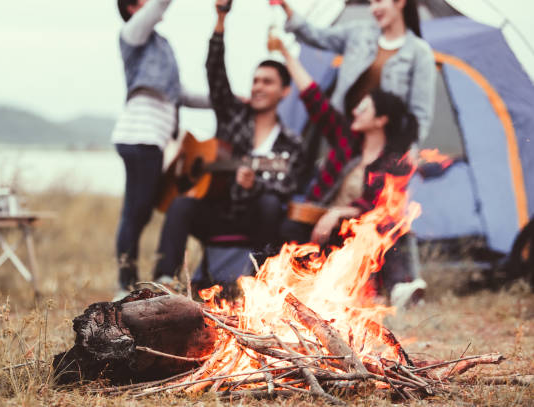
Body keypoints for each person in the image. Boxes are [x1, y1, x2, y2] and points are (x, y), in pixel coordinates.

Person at [152, 0, 304, 283]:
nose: (258, 86)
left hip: (256, 220)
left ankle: (262, 285)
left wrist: (255, 184)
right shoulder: (233, 115)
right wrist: (221, 18)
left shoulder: (290, 143)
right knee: (181, 204)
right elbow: (216, 74)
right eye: (255, 80)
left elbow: (286, 186)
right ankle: (163, 281)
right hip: (218, 211)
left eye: (267, 82)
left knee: (270, 204)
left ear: (285, 91)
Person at [270, 35, 423, 300]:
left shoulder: (393, 162)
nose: (355, 112)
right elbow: (313, 99)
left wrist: (338, 212)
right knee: (286, 226)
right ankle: (277, 285)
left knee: (387, 227)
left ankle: (396, 288)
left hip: (356, 231)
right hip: (321, 226)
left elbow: (378, 209)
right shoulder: (347, 144)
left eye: (363, 109)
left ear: (380, 120)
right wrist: (286, 53)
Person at [112, 0, 210, 298]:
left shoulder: (162, 45)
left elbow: (180, 94)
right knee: (135, 212)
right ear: (131, 7)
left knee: (138, 212)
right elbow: (157, 7)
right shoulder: (132, 33)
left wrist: (226, 100)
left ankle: (130, 281)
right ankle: (124, 284)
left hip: (152, 140)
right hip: (139, 135)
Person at [278, 0, 435, 142]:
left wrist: (409, 148)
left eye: (379, 2)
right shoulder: (359, 33)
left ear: (400, 2)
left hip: (384, 142)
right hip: (344, 133)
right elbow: (318, 37)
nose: (373, 9)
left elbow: (420, 114)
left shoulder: (419, 52)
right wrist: (289, 12)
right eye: (371, 3)